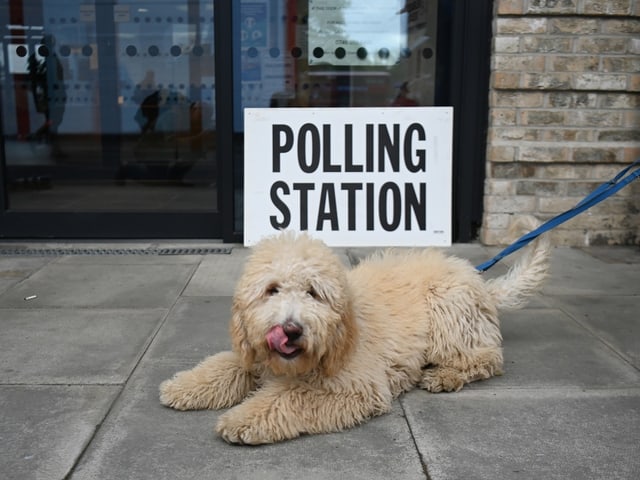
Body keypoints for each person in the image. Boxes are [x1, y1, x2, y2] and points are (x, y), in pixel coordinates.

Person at [27, 34, 66, 157]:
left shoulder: (50, 60)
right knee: (53, 123)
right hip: (53, 98)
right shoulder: (49, 61)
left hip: (54, 97)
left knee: (53, 122)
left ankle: (49, 145)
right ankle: (52, 148)